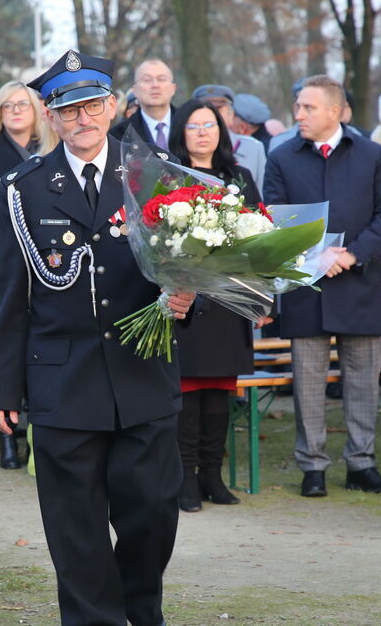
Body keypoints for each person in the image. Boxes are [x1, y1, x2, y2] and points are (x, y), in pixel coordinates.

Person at [0, 50, 195, 625]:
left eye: (92, 106)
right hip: (63, 382)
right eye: (68, 109)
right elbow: (7, 296)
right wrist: (1, 389)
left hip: (143, 375)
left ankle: (140, 612)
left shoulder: (151, 173)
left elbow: (184, 268)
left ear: (111, 107)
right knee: (75, 531)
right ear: (50, 117)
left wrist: (185, 298)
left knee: (151, 514)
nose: (82, 119)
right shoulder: (23, 188)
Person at [263, 74, 381, 498]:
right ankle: (313, 467)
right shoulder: (283, 157)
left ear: (336, 111)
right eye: (298, 106)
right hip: (308, 287)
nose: (298, 114)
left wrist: (351, 254)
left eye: (308, 107)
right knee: (307, 382)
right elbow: (272, 217)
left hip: (360, 282)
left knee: (363, 380)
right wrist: (313, 256)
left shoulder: (371, 154)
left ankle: (362, 464)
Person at [168, 99, 263, 512]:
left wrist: (259, 297)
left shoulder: (237, 177)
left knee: (220, 393)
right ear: (180, 133)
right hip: (187, 298)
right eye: (193, 126)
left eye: (210, 125)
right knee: (188, 393)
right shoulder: (170, 177)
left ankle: (212, 474)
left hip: (228, 299)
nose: (203, 132)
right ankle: (185, 478)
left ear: (222, 132)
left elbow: (261, 234)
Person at [0, 81, 57, 469]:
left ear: (36, 110)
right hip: (3, 263)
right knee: (4, 348)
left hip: (50, 263)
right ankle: (5, 441)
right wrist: (19, 231)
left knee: (42, 348)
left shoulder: (52, 150)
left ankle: (40, 435)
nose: (17, 111)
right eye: (9, 106)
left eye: (24, 104)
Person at [193, 84, 266, 187]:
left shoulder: (253, 149)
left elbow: (261, 193)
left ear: (231, 114)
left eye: (218, 109)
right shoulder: (188, 147)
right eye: (207, 109)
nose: (213, 114)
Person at [110, 58, 178, 150]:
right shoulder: (118, 136)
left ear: (173, 88)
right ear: (135, 90)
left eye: (161, 79)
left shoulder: (189, 125)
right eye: (147, 80)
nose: (155, 85)